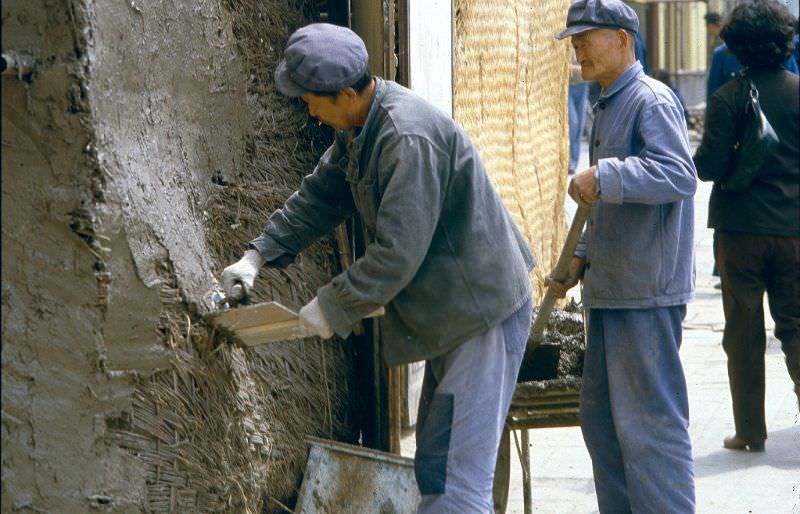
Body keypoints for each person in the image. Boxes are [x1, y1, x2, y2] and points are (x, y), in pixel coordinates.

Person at [220, 23, 535, 512]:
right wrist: (257, 254)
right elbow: (322, 194)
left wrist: (332, 306)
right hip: (452, 312)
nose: (306, 108)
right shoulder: (359, 125)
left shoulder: (405, 139)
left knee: (458, 482)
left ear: (345, 94)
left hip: (480, 314)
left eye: (309, 99)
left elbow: (396, 255)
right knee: (436, 465)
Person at [553, 1, 697, 512]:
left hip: (645, 293)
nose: (577, 48)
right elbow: (607, 207)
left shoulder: (650, 100)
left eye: (586, 38)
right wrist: (582, 256)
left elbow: (679, 174)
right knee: (604, 426)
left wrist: (607, 175)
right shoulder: (608, 102)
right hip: (612, 289)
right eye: (573, 38)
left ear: (621, 38)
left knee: (649, 430)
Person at [693, 0, 800, 453]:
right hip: (795, 231)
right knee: (795, 325)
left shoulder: (729, 98)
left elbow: (708, 167)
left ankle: (750, 432)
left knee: (743, 329)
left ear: (735, 45)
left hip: (739, 233)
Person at [568, 53, 589, 174]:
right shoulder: (566, 46)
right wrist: (580, 70)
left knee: (579, 125)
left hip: (583, 87)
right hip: (569, 86)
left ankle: (574, 161)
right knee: (573, 122)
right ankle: (570, 159)